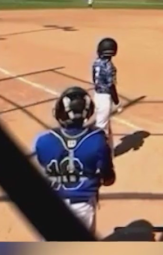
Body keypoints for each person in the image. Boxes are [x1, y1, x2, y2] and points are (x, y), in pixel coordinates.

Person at [33, 86, 116, 232]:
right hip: (82, 206)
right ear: (88, 112)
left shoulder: (43, 141)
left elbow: (42, 164)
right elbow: (108, 178)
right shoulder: (97, 140)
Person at [92, 37, 123, 157]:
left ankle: (110, 152)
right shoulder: (110, 67)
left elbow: (93, 78)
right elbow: (111, 86)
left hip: (97, 95)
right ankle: (100, 155)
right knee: (102, 128)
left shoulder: (96, 62)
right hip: (105, 98)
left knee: (106, 126)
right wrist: (117, 102)